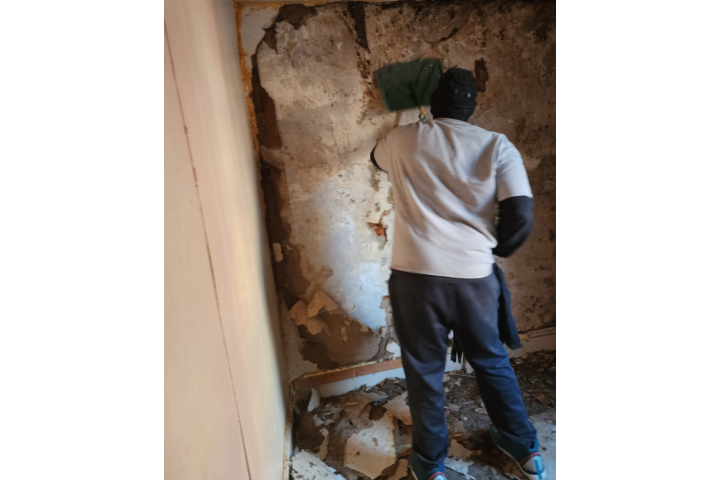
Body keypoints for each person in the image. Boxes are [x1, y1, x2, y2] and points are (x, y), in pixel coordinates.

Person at [370, 68, 546, 480]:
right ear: (473, 106)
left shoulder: (401, 139)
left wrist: (406, 124)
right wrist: (495, 249)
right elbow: (520, 213)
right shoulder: (496, 145)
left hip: (416, 278)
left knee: (425, 370)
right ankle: (525, 449)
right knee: (491, 361)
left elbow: (376, 161)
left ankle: (430, 466)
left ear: (433, 102)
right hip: (474, 278)